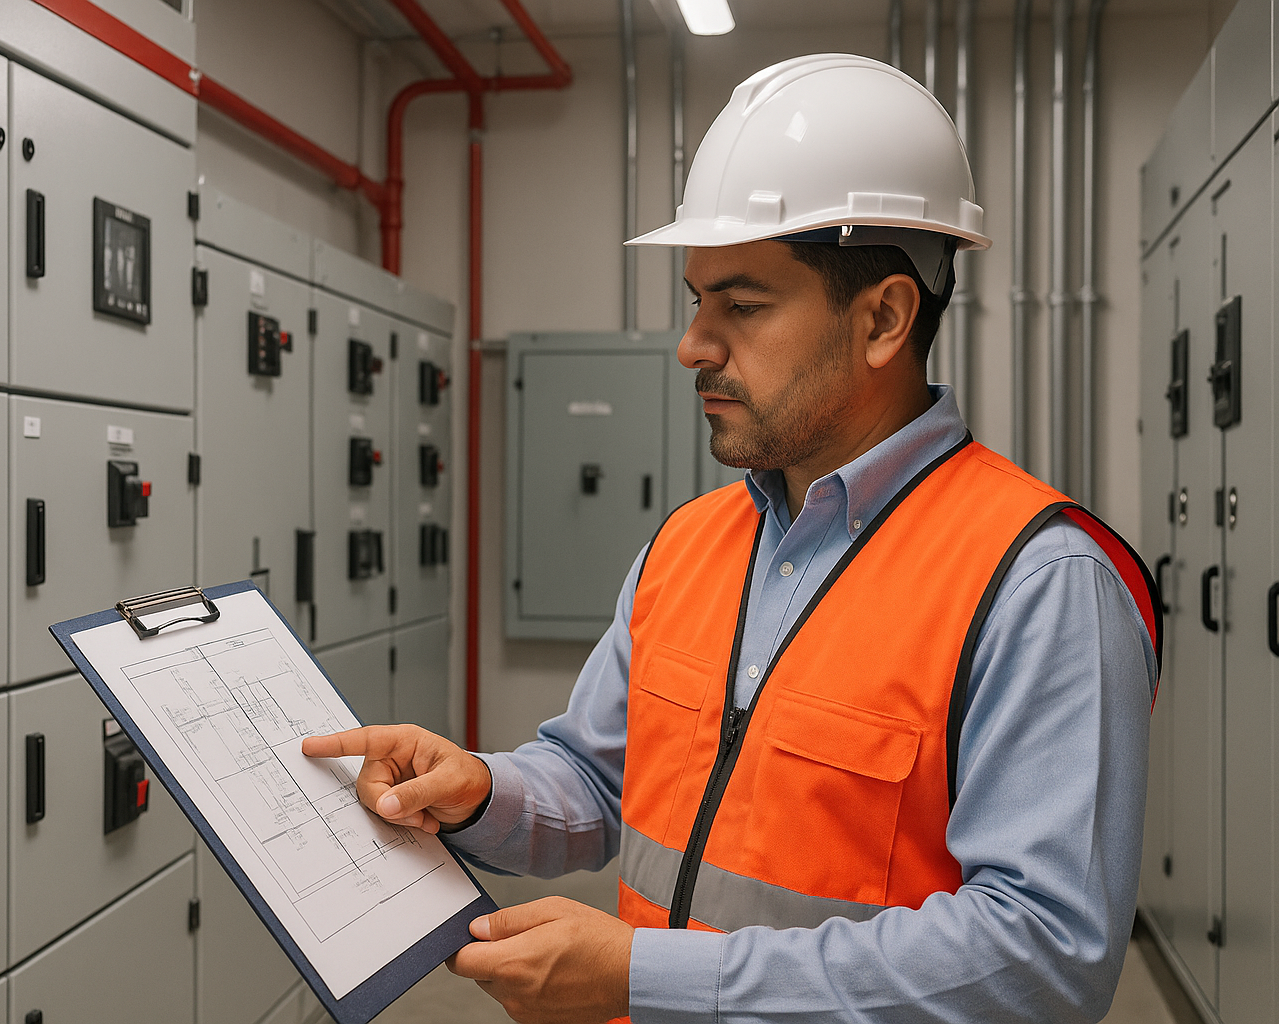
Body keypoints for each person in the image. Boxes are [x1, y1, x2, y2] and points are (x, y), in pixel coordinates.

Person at [304, 54, 1160, 1024]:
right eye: (695, 299)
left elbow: (1041, 955)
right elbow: (599, 777)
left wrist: (646, 976)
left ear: (883, 316)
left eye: (741, 305)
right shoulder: (689, 543)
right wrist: (478, 792)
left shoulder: (1038, 580)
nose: (692, 345)